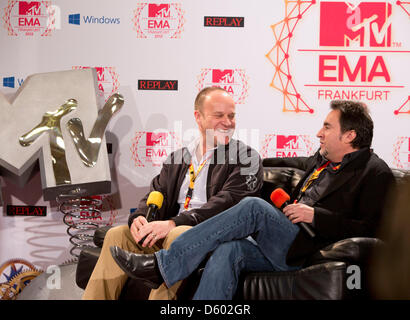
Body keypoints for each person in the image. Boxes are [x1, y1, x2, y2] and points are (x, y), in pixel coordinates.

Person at [110, 100, 395, 300]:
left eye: (327, 127)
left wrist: (316, 216)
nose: (319, 133)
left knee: (254, 207)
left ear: (350, 135)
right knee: (229, 250)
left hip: (311, 248)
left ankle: (161, 266)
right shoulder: (320, 161)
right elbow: (284, 161)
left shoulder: (375, 173)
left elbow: (374, 230)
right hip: (283, 244)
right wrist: (250, 161)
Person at [82, 86, 263, 299]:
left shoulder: (246, 158)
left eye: (231, 116)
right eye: (219, 115)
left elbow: (229, 204)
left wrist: (174, 223)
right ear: (199, 117)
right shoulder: (179, 158)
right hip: (172, 230)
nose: (228, 122)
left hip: (209, 236)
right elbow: (157, 192)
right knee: (118, 235)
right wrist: (140, 217)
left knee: (178, 235)